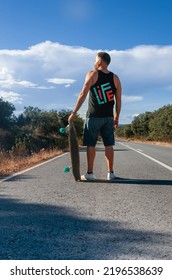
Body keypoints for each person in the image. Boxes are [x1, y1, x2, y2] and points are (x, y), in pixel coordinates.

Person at [68, 52, 122, 180]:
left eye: (95, 59)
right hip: (108, 117)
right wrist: (116, 117)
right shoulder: (116, 78)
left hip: (93, 116)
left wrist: (74, 112)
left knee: (91, 145)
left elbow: (83, 93)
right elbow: (118, 100)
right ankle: (111, 173)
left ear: (99, 62)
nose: (94, 61)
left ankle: (90, 174)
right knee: (109, 145)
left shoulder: (92, 74)